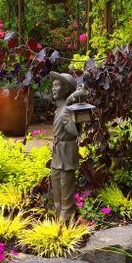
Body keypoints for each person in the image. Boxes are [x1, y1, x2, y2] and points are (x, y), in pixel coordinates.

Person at [48, 72, 82, 222]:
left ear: (66, 89)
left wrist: (71, 101)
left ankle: (66, 219)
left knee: (66, 186)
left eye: (57, 85)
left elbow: (75, 132)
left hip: (66, 153)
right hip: (58, 153)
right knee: (56, 185)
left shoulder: (66, 109)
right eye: (53, 85)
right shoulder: (60, 108)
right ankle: (58, 214)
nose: (53, 89)